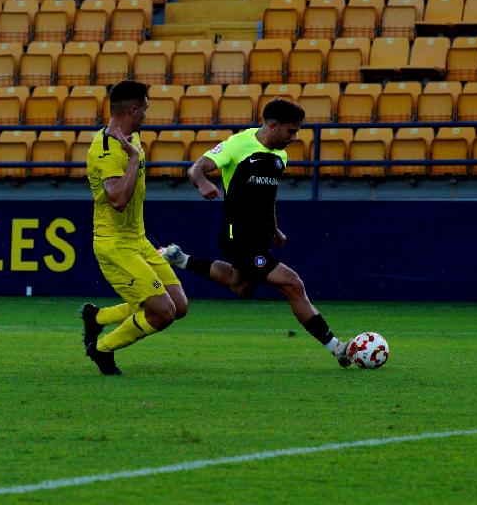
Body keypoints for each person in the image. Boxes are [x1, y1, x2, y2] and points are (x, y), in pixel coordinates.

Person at [159, 98, 351, 368]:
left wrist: (274, 229)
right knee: (293, 284)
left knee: (241, 286)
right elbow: (196, 168)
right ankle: (337, 348)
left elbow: (268, 198)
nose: (294, 138)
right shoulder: (238, 145)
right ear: (272, 126)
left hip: (260, 236)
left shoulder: (280, 156)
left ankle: (181, 259)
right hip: (238, 236)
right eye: (291, 131)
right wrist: (202, 182)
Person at [81, 80, 189, 376]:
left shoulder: (131, 136)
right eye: (145, 107)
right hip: (115, 245)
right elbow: (116, 199)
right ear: (132, 109)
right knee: (163, 313)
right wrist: (133, 160)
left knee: (178, 306)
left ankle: (98, 317)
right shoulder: (107, 149)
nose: (147, 111)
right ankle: (101, 349)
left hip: (137, 240)